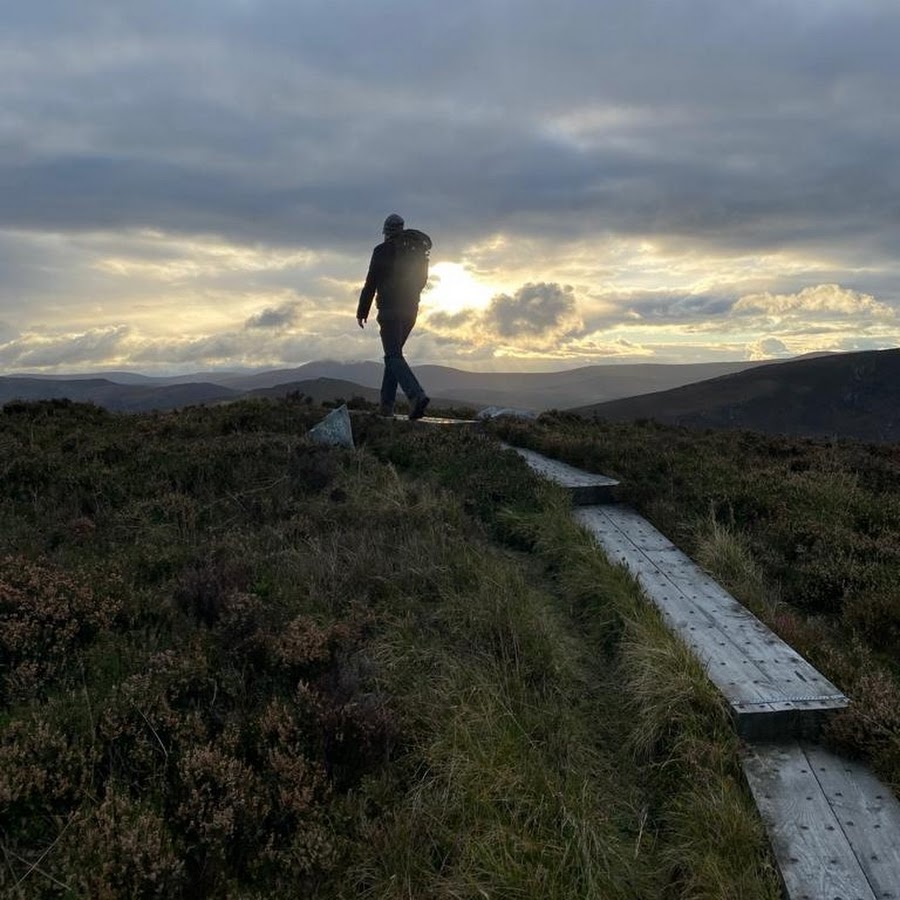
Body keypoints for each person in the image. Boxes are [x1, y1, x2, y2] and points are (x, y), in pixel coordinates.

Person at [356, 213, 431, 420]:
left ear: (386, 232)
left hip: (389, 310)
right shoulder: (417, 251)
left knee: (392, 356)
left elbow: (370, 282)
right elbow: (423, 281)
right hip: (411, 311)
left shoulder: (381, 251)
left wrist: (362, 310)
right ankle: (386, 407)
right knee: (394, 356)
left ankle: (416, 395)